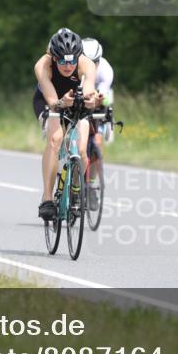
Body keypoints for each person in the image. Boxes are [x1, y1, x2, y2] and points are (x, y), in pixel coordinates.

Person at [33, 28, 97, 220]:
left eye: (71, 60)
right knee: (55, 139)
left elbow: (88, 90)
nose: (68, 66)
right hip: (49, 100)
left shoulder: (87, 64)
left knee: (82, 149)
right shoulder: (43, 65)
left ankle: (76, 188)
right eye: (62, 61)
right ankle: (47, 198)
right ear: (53, 57)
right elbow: (52, 100)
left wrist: (90, 100)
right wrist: (61, 102)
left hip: (75, 101)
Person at [81, 37, 114, 209]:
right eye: (87, 61)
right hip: (80, 100)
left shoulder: (106, 70)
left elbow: (102, 95)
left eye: (95, 61)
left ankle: (90, 185)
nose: (91, 65)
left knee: (96, 143)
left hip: (100, 102)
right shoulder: (76, 67)